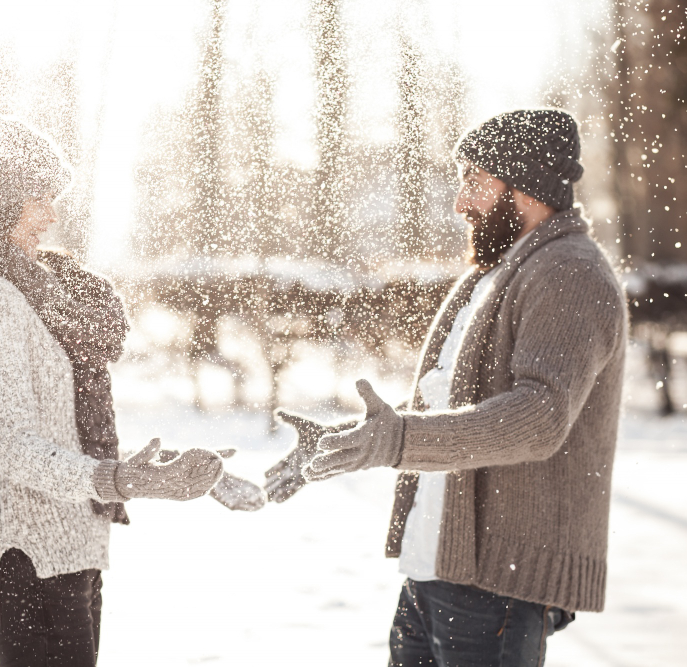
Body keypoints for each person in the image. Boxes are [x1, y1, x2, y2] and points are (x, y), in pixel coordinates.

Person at [266, 109, 627, 666]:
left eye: (476, 181)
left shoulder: (569, 271)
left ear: (523, 185)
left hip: (496, 581)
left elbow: (539, 417)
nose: (461, 202)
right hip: (436, 562)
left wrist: (400, 441)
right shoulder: (496, 272)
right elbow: (447, 405)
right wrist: (353, 439)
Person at [0, 115, 260, 666]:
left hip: (65, 552)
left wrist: (166, 472)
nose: (50, 214)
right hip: (30, 561)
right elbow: (11, 447)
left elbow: (55, 422)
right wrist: (119, 479)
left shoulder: (33, 290)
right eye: (37, 198)